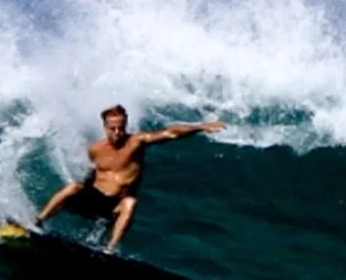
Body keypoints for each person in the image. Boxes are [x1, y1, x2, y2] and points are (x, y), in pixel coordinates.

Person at [35, 104, 225, 253]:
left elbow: (171, 133)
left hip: (114, 206)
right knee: (73, 186)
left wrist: (201, 127)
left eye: (121, 128)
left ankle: (109, 250)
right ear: (105, 127)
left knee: (130, 203)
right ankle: (37, 223)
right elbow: (91, 175)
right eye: (113, 129)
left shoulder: (136, 142)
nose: (117, 133)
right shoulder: (95, 149)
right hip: (93, 200)